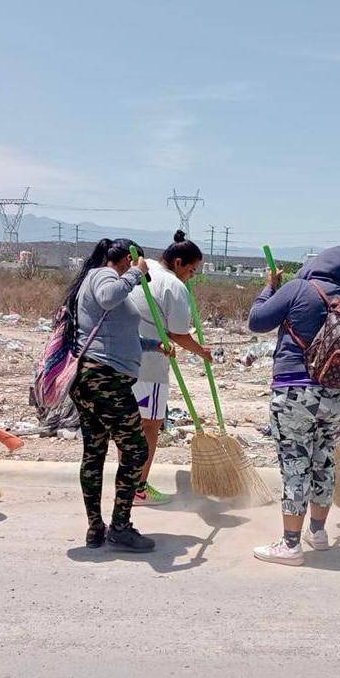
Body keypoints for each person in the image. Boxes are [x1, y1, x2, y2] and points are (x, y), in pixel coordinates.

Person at [247, 247, 340, 566]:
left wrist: (269, 287)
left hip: (295, 393)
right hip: (339, 399)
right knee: (324, 460)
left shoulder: (298, 288)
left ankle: (290, 545)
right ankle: (318, 532)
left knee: (295, 464)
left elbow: (257, 321)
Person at [66, 238, 173, 552]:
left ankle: (96, 528)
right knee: (137, 450)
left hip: (94, 378)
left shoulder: (101, 278)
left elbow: (116, 336)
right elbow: (109, 297)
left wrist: (154, 345)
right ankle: (120, 527)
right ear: (129, 257)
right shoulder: (104, 276)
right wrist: (135, 274)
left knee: (95, 451)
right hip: (104, 380)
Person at [127, 230, 212, 506]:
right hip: (150, 369)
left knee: (131, 428)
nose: (192, 276)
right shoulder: (174, 286)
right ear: (178, 263)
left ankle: (126, 484)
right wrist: (202, 351)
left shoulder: (142, 267)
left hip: (123, 361)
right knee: (150, 427)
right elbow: (177, 334)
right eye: (192, 269)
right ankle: (138, 488)